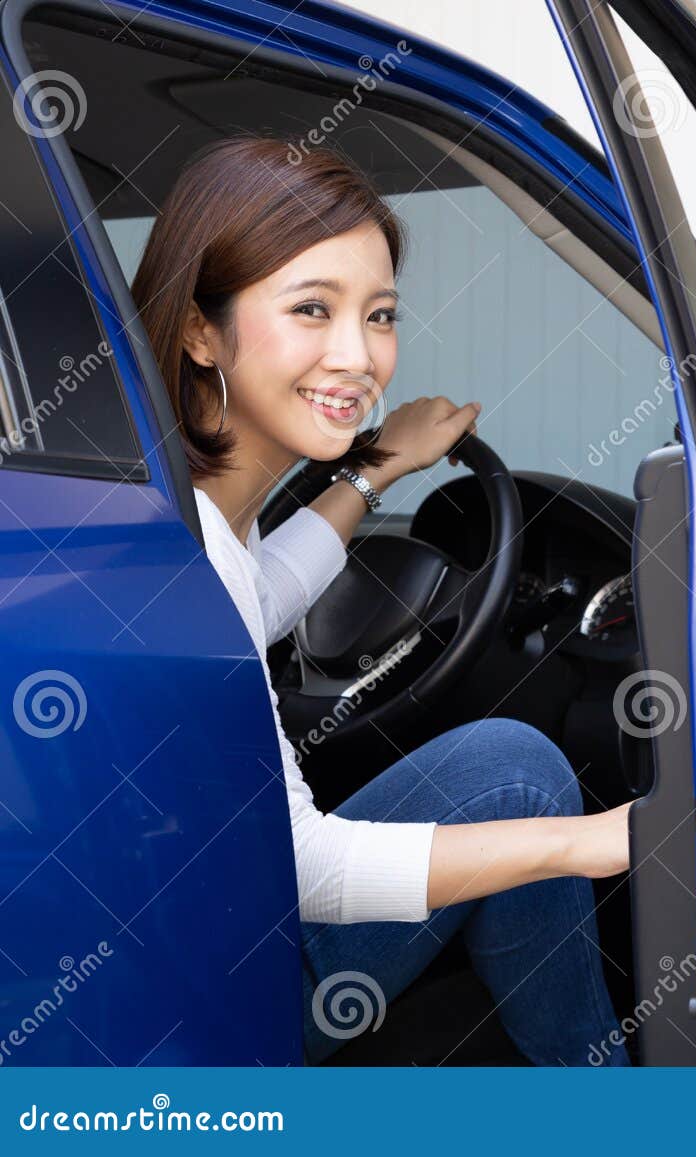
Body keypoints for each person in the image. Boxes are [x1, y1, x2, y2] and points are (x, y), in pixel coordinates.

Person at [129, 134, 630, 1065]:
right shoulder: (185, 557)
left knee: (507, 767)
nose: (358, 357)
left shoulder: (193, 514)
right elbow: (309, 872)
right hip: (218, 995)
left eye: (381, 314)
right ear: (200, 328)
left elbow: (264, 596)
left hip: (175, 937)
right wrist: (598, 840)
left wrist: (381, 463)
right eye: (312, 309)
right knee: (522, 778)